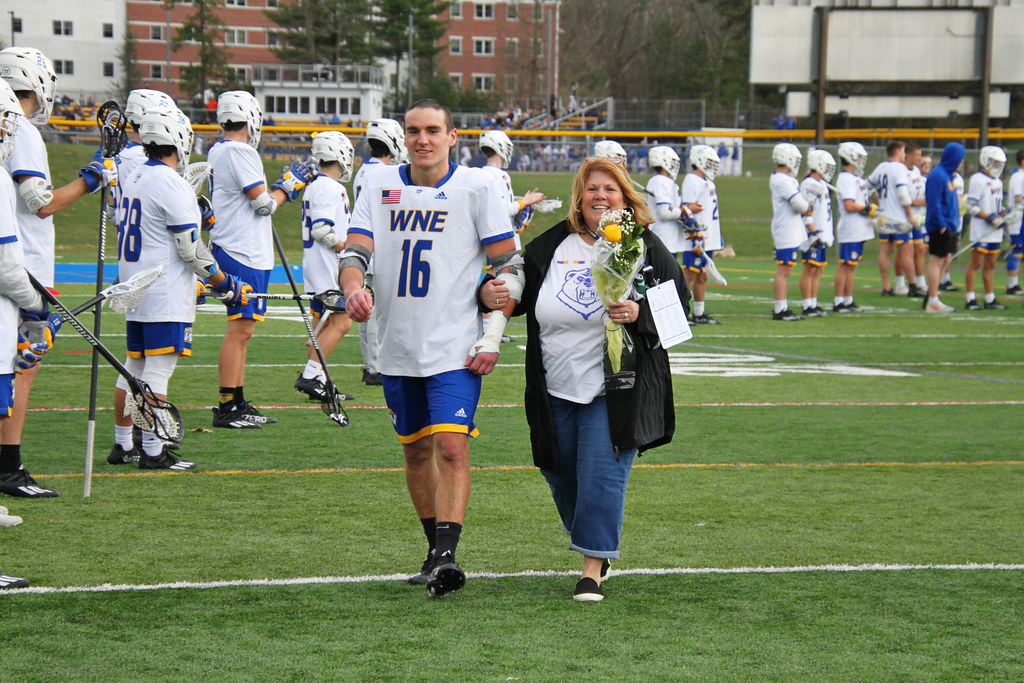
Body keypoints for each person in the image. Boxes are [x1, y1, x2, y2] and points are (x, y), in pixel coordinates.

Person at [480, 156, 688, 601]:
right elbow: (512, 285)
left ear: (625, 198)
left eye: (610, 189)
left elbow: (679, 310)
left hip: (615, 385)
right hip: (554, 380)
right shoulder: (552, 245)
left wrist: (638, 311)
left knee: (601, 472)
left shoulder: (644, 246)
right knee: (560, 473)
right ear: (579, 197)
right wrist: (492, 290)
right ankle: (594, 539)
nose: (600, 196)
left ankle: (592, 567)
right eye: (592, 188)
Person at [339, 99, 518, 598]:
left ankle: (447, 556)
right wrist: (353, 285)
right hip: (396, 344)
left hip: (455, 345)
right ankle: (431, 550)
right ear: (403, 136)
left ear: (451, 136)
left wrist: (492, 331)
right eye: (414, 130)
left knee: (453, 447)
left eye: (433, 130)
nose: (423, 139)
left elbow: (510, 267)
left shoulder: (479, 186)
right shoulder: (376, 184)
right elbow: (354, 253)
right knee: (417, 452)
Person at [109, 107, 251, 469]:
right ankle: (154, 453)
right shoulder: (172, 183)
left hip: (137, 288)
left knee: (133, 369)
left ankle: (124, 444)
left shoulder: (136, 175)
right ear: (178, 140)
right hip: (163, 294)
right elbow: (191, 251)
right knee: (156, 373)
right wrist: (225, 285)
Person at [0, 47, 112, 499]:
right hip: (20, 270)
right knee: (20, 368)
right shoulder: (20, 128)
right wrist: (91, 178)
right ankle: (9, 467)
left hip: (19, 264)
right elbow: (40, 203)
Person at [207, 90, 312, 428]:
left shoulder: (221, 149)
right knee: (240, 328)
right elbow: (264, 204)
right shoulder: (240, 151)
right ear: (251, 120)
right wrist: (289, 186)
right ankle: (227, 404)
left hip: (238, 245)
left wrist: (280, 187)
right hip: (241, 249)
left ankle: (235, 400)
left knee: (244, 329)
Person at [0, 78, 60, 586]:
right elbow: (38, 203)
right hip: (18, 283)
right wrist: (35, 306)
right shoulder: (11, 157)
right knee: (15, 377)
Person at [293, 131, 355, 401]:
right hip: (327, 267)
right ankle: (310, 375)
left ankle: (321, 381)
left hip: (316, 266)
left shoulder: (316, 186)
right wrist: (345, 246)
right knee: (343, 322)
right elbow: (321, 230)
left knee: (319, 324)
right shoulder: (330, 187)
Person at [352, 118, 406, 387]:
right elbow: (390, 212)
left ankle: (373, 364)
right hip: (380, 251)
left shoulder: (363, 171)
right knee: (377, 313)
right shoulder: (383, 175)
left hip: (367, 249)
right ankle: (374, 367)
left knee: (371, 314)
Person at [478, 129, 546, 251]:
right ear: (500, 146)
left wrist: (524, 201)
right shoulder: (496, 176)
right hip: (500, 240)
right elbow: (500, 211)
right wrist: (524, 201)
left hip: (497, 239)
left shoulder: (484, 173)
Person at [768, 143, 812, 321]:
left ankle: (782, 307)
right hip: (786, 230)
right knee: (784, 270)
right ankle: (780, 308)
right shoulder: (782, 180)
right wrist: (810, 204)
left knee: (786, 269)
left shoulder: (782, 179)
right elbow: (799, 205)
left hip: (789, 229)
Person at [867, 141, 917, 297]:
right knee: (907, 251)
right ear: (897, 152)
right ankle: (913, 286)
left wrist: (877, 198)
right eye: (903, 152)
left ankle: (886, 287)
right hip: (898, 217)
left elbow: (866, 186)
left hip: (883, 216)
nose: (904, 155)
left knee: (885, 251)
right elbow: (902, 194)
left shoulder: (881, 167)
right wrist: (909, 215)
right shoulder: (900, 168)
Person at [681, 144, 723, 324]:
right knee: (689, 274)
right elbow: (688, 210)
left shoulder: (708, 182)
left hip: (708, 236)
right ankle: (679, 313)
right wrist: (695, 231)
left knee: (701, 274)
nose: (713, 166)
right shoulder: (692, 180)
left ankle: (699, 312)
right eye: (710, 162)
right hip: (697, 237)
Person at [922, 143, 966, 314]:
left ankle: (933, 295)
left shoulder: (949, 176)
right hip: (941, 226)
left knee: (946, 260)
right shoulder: (938, 176)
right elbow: (934, 203)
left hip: (951, 225)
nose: (960, 164)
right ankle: (932, 301)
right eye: (959, 160)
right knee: (937, 260)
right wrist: (941, 225)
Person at [964, 146, 1008, 311]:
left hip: (995, 231)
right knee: (976, 263)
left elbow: (995, 205)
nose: (997, 166)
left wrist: (1002, 213)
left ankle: (990, 298)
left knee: (991, 265)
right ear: (987, 161)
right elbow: (971, 206)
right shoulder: (977, 179)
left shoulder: (998, 181)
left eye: (999, 163)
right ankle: (970, 299)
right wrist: (989, 217)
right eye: (995, 162)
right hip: (982, 230)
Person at [832, 142, 874, 313]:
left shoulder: (856, 178)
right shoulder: (846, 179)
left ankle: (848, 299)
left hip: (859, 228)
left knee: (852, 266)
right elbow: (849, 204)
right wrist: (866, 208)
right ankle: (838, 301)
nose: (862, 161)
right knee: (845, 265)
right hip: (851, 228)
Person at [798, 149, 836, 317]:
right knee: (809, 269)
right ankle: (807, 305)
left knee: (818, 270)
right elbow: (807, 210)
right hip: (813, 233)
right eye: (826, 166)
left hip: (822, 233)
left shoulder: (822, 184)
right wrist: (811, 232)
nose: (829, 170)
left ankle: (813, 303)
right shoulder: (809, 184)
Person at [644, 145, 687, 256]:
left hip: (669, 239)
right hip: (662, 238)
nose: (674, 165)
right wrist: (683, 211)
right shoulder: (660, 181)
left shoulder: (665, 181)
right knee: (665, 273)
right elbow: (664, 212)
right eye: (672, 162)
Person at [903, 143, 928, 297]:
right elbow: (902, 197)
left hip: (918, 217)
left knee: (920, 249)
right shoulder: (901, 172)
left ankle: (920, 282)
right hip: (905, 217)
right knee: (905, 251)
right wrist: (920, 202)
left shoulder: (917, 172)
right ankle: (905, 283)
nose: (920, 158)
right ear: (909, 155)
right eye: (917, 155)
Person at [1005, 149, 1024, 295]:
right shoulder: (1018, 177)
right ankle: (1012, 285)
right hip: (1018, 219)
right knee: (1017, 250)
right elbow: (1018, 199)